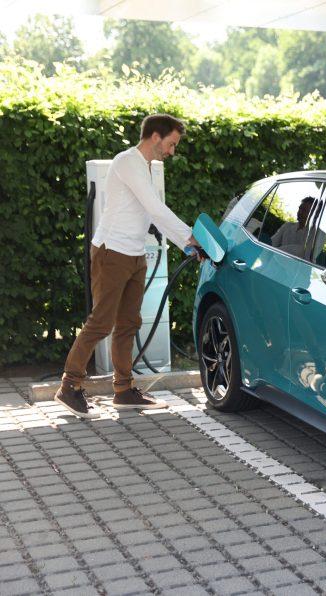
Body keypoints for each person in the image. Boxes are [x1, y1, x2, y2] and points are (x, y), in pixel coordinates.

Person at [55, 114, 204, 419]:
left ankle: (123, 391)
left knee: (128, 324)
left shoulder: (145, 167)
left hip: (134, 254)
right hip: (112, 251)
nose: (172, 151)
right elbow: (154, 207)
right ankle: (69, 387)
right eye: (171, 144)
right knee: (101, 322)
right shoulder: (127, 161)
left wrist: (187, 244)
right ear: (155, 136)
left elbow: (148, 213)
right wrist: (190, 236)